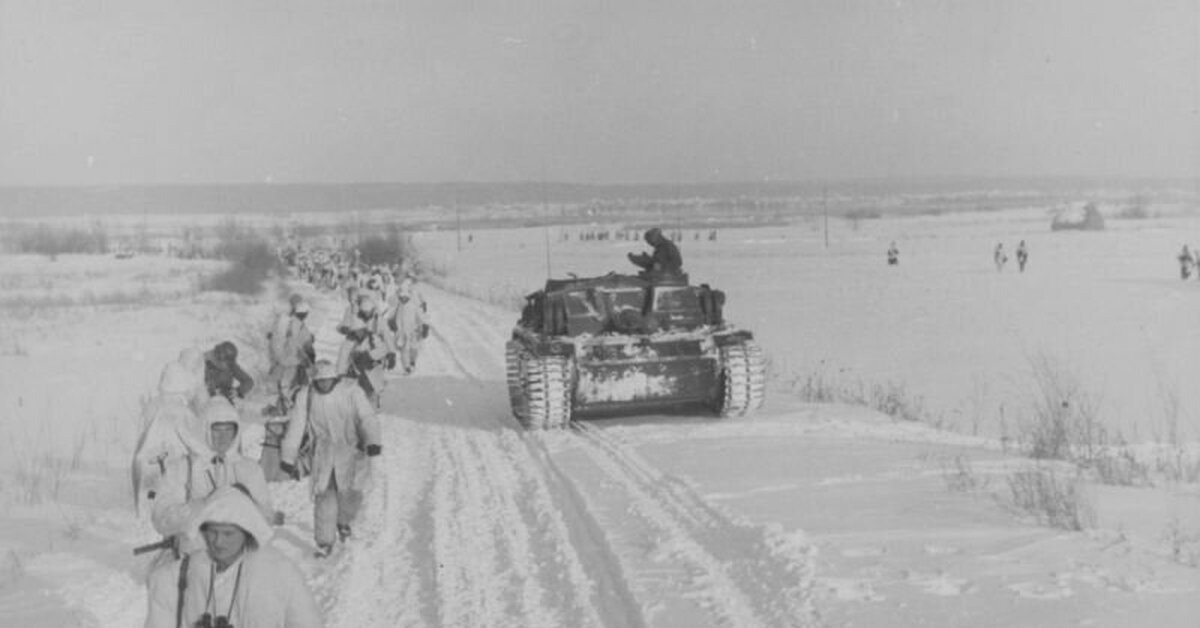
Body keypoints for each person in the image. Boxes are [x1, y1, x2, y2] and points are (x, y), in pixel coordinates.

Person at [144, 485, 322, 628]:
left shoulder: (281, 572)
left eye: (228, 534)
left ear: (247, 532)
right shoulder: (172, 577)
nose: (218, 542)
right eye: (213, 532)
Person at [280, 360, 382, 558]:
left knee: (351, 493)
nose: (324, 385)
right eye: (320, 382)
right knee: (324, 496)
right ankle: (324, 541)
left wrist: (372, 440)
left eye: (328, 381)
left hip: (351, 449)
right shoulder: (307, 396)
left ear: (335, 379)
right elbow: (297, 426)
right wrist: (288, 456)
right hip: (323, 453)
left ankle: (344, 522)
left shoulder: (351, 391)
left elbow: (367, 417)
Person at [152, 398, 277, 559]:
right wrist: (205, 505)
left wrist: (243, 506)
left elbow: (266, 517)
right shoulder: (183, 468)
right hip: (195, 558)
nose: (223, 437)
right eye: (217, 430)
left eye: (228, 430)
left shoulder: (249, 469)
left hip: (240, 558)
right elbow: (161, 519)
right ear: (204, 429)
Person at [132, 362, 209, 516]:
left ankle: (145, 519)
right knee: (171, 498)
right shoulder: (181, 411)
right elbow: (194, 441)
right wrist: (208, 454)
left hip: (147, 459)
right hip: (173, 462)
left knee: (150, 494)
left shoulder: (153, 404)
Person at [337, 297, 395, 407]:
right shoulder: (351, 335)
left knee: (373, 383)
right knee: (355, 387)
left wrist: (391, 353)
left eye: (369, 312)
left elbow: (386, 338)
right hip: (356, 367)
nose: (367, 314)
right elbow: (343, 355)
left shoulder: (378, 323)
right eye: (365, 312)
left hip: (372, 363)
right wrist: (340, 372)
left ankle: (374, 399)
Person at [266, 296, 315, 415]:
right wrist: (310, 360)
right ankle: (294, 408)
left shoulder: (280, 321)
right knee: (297, 386)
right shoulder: (299, 325)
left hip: (278, 362)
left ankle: (276, 407)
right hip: (294, 362)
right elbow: (306, 344)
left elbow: (270, 338)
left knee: (277, 387)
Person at [388, 276, 428, 375]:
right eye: (402, 297)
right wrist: (390, 324)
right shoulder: (397, 306)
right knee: (403, 350)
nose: (403, 299)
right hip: (401, 333)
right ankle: (406, 367)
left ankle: (412, 361)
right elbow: (390, 314)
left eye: (405, 297)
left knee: (414, 349)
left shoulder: (414, 306)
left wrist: (424, 326)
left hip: (413, 331)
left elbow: (421, 318)